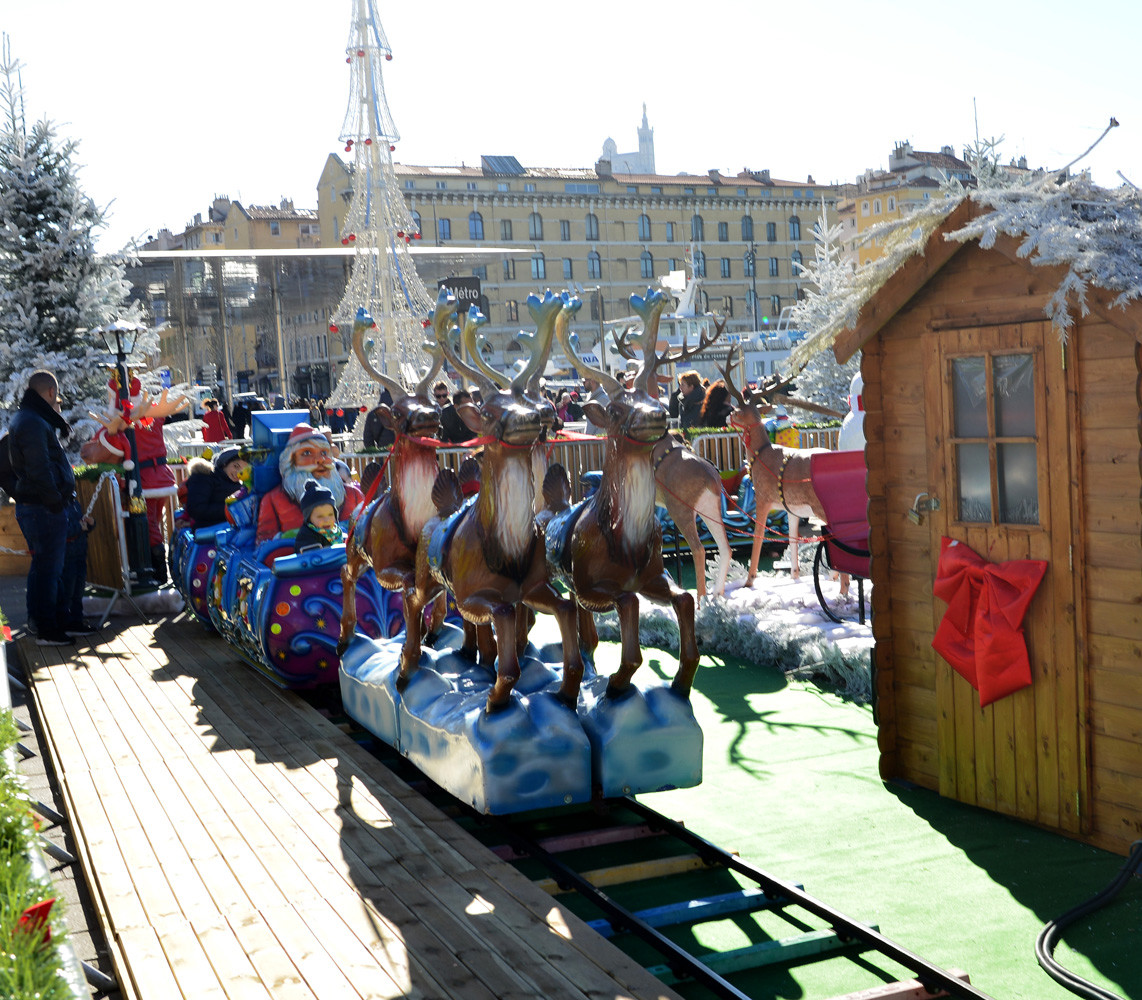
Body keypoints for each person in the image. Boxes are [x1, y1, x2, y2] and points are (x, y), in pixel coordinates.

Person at [7, 369, 92, 645]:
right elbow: (39, 468)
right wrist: (54, 501)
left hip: (42, 506)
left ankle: (57, 622)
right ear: (51, 393)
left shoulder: (30, 418)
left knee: (48, 567)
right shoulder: (32, 421)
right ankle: (47, 628)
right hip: (44, 508)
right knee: (49, 569)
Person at [255, 424, 363, 542]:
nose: (320, 460)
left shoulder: (354, 495)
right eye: (307, 453)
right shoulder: (273, 500)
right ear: (291, 461)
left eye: (324, 453)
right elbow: (264, 546)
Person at [183, 448, 249, 526]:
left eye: (243, 471)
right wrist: (230, 509)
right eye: (236, 466)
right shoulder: (204, 477)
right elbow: (196, 508)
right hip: (208, 531)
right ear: (225, 462)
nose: (238, 473)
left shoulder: (240, 487)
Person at [293, 481, 344, 553]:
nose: (327, 520)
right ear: (309, 518)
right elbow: (312, 558)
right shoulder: (306, 536)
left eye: (330, 514)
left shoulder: (336, 532)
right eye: (320, 516)